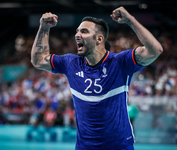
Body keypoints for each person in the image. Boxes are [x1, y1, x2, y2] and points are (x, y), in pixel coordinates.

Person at [31, 6, 163, 150]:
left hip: (119, 146)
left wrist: (130, 20)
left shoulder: (120, 62)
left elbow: (155, 50)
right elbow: (38, 60)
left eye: (84, 31)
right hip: (85, 147)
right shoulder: (71, 63)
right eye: (77, 31)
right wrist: (44, 28)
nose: (77, 35)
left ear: (99, 38)